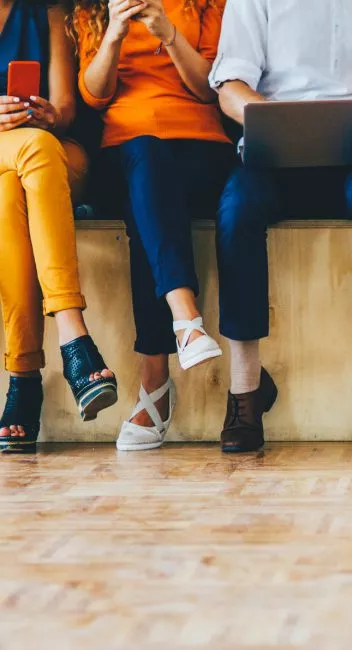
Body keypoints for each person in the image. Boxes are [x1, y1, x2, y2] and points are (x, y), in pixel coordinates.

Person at [209, 0, 352, 454]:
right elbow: (229, 86)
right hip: (275, 152)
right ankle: (245, 392)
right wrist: (274, 122)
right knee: (235, 213)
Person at [74, 0, 232, 451]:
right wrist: (115, 34)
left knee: (148, 205)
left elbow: (210, 89)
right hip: (125, 151)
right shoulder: (95, 10)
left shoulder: (206, 5)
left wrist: (167, 31)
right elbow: (93, 95)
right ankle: (186, 320)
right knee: (146, 165)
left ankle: (156, 384)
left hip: (201, 148)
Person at [0, 0, 117, 453]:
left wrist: (48, 115)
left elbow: (66, 106)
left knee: (12, 188)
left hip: (50, 151)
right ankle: (74, 337)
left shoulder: (47, 12)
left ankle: (23, 382)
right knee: (31, 153)